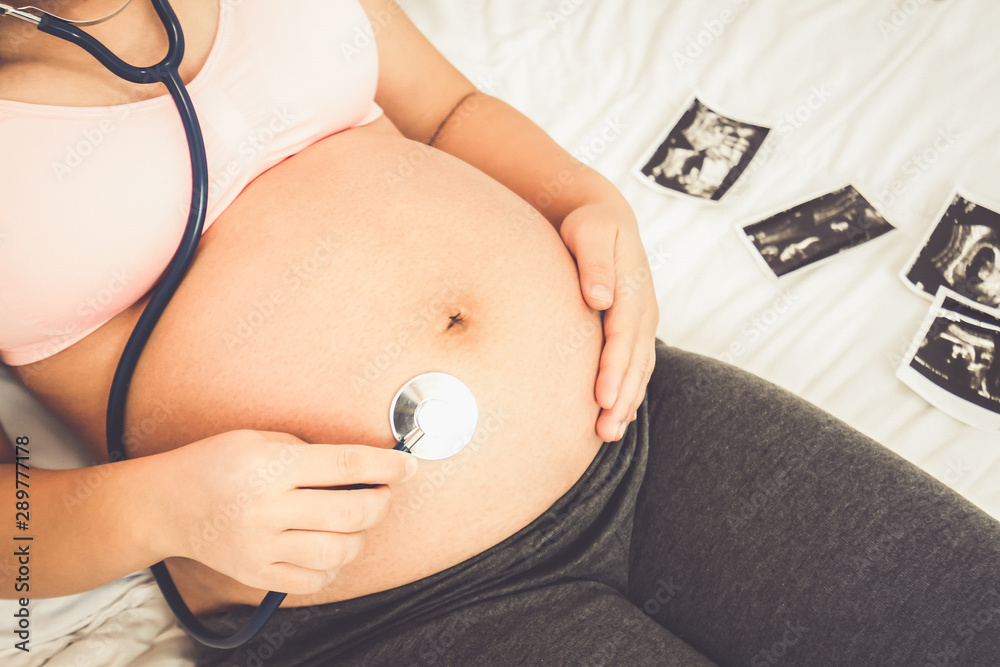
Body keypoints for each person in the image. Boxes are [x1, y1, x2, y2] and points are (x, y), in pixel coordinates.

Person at [0, 1, 998, 665]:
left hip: (641, 422)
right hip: (387, 606)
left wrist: (583, 197)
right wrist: (161, 512)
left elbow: (448, 109)